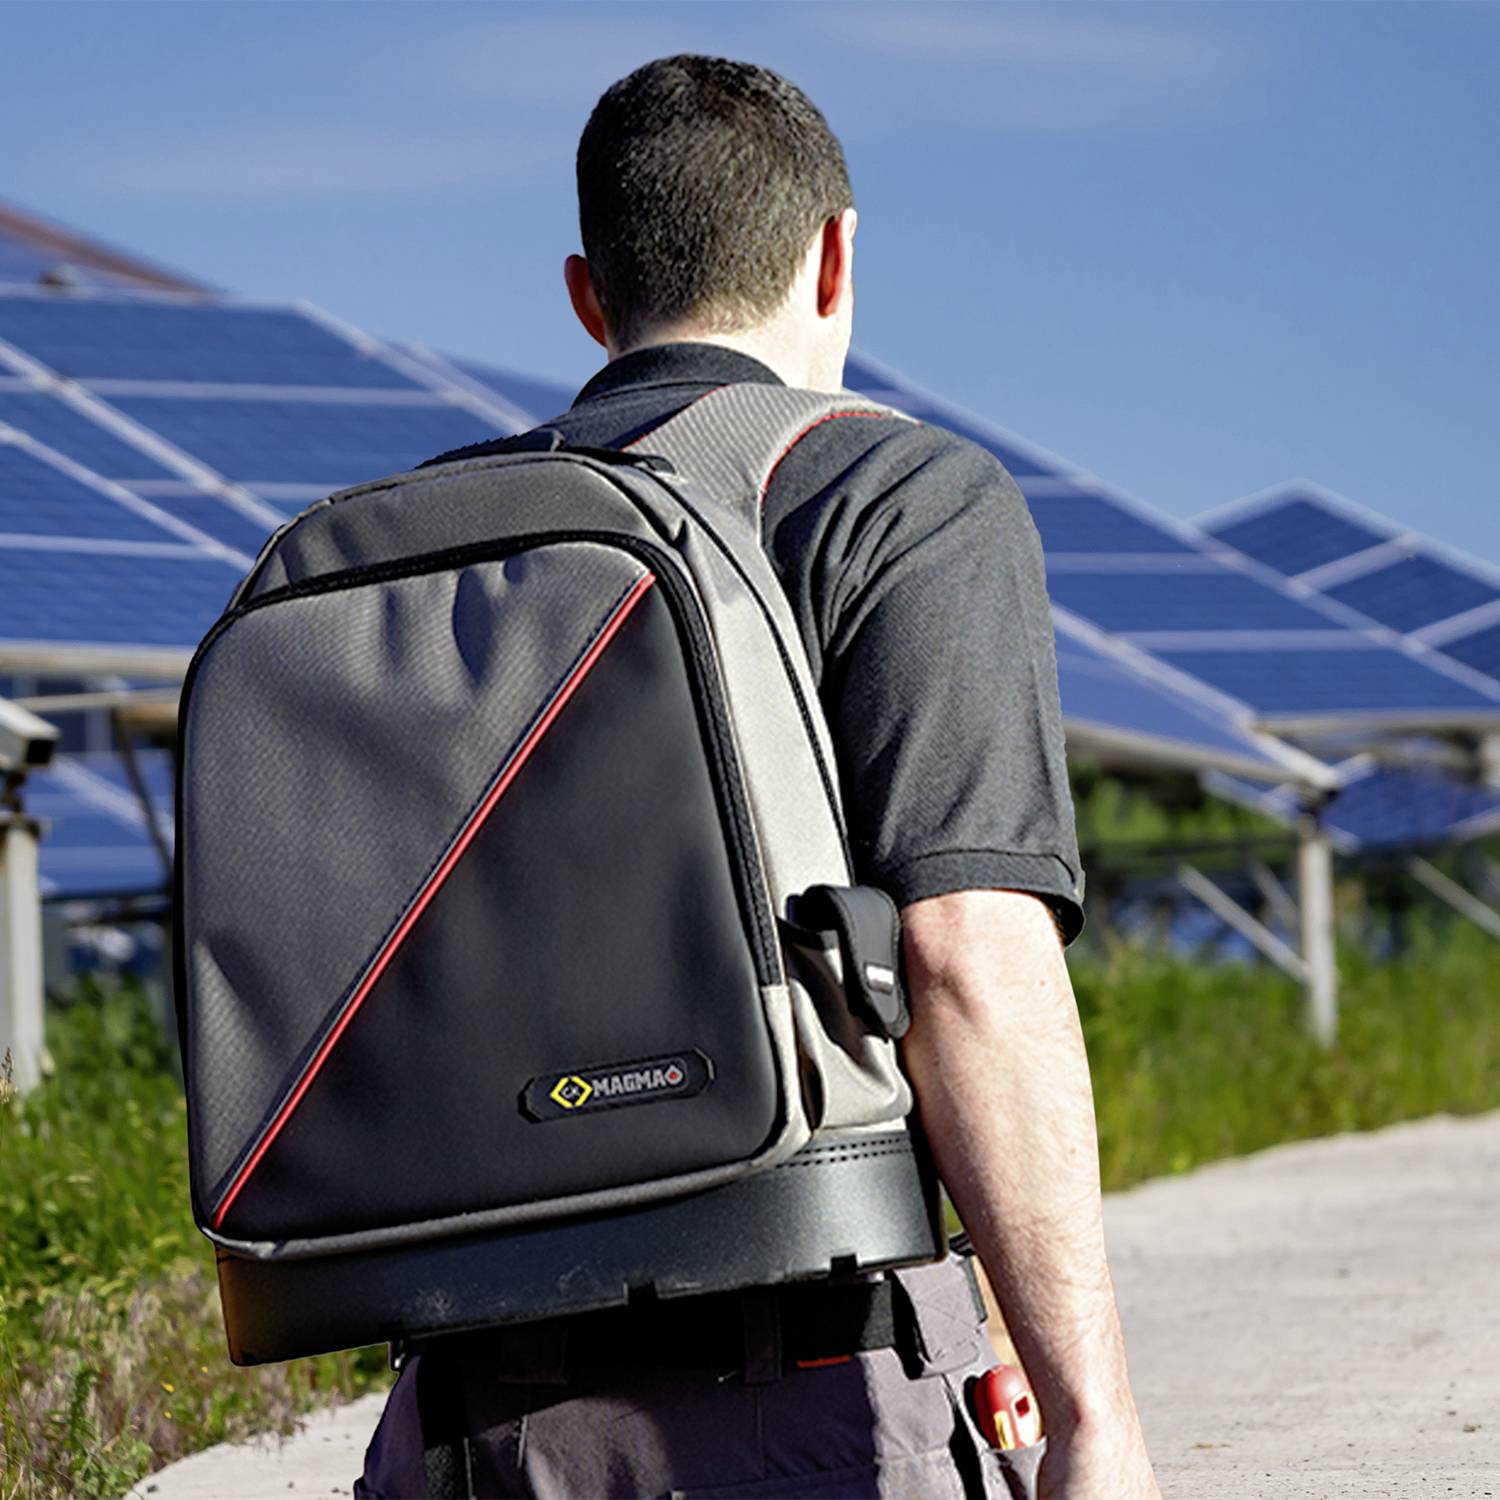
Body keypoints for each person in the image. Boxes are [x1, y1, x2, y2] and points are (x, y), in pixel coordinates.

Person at [360, 53, 1159, 1500]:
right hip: (804, 1397)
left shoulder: (425, 556)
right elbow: (967, 955)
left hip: (457, 1418)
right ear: (837, 254)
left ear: (588, 298)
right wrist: (1092, 1415)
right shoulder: (900, 499)